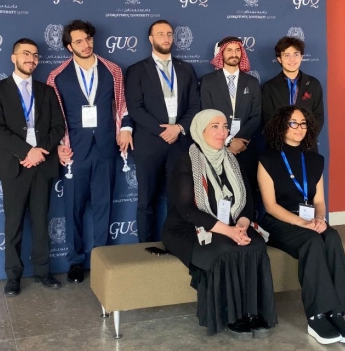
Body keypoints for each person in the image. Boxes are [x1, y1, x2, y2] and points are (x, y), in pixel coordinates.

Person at [162, 109, 277, 338]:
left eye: (224, 126)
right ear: (200, 130)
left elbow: (247, 201)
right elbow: (187, 210)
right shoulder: (186, 161)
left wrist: (242, 225)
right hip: (187, 228)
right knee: (224, 247)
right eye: (214, 126)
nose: (222, 132)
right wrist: (229, 232)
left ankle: (252, 311)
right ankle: (232, 315)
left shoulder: (232, 160)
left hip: (231, 224)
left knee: (255, 244)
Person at [257, 106, 345, 345]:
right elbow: (270, 206)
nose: (299, 128)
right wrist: (303, 223)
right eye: (293, 123)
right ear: (282, 126)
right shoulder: (267, 160)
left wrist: (320, 219)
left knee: (332, 236)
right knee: (311, 240)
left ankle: (337, 312)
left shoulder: (314, 160)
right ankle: (316, 316)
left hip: (310, 219)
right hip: (278, 221)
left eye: (303, 124)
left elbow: (319, 201)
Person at [47, 20, 133, 284]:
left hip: (106, 147)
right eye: (79, 41)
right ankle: (75, 261)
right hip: (74, 151)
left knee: (103, 206)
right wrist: (59, 145)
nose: (86, 45)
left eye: (88, 39)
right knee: (73, 208)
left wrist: (126, 128)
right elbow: (54, 116)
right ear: (69, 46)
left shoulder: (113, 70)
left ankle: (100, 259)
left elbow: (123, 104)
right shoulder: (57, 76)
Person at [0, 38, 65, 296]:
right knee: (14, 223)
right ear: (14, 57)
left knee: (41, 221)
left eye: (36, 55)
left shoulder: (46, 91)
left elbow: (58, 127)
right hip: (14, 165)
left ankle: (43, 272)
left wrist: (39, 152)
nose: (31, 59)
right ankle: (13, 277)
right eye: (26, 54)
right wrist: (26, 151)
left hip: (42, 164)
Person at [125, 19, 200, 242]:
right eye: (160, 34)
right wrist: (162, 131)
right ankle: (144, 249)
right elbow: (135, 108)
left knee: (177, 200)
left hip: (179, 143)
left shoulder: (186, 69)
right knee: (146, 201)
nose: (166, 38)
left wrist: (178, 128)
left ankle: (174, 244)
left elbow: (195, 106)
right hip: (149, 144)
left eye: (169, 34)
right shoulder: (137, 70)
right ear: (151, 39)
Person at [200, 36, 261, 189]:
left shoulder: (252, 82)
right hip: (217, 148)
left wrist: (239, 141)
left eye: (237, 50)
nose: (234, 54)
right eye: (229, 50)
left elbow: (256, 116)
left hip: (245, 148)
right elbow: (206, 115)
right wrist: (228, 141)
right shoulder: (208, 81)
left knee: (247, 191)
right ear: (221, 53)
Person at [261, 36, 324, 139]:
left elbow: (318, 117)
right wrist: (286, 139)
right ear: (279, 59)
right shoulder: (269, 87)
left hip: (307, 143)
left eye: (296, 54)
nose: (292, 59)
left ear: (301, 57)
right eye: (287, 55)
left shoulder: (313, 84)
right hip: (279, 144)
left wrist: (304, 138)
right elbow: (268, 119)